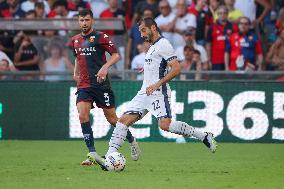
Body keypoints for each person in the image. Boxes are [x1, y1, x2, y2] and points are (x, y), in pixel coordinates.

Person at [87, 17, 217, 170]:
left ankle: (204, 136)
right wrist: (147, 69)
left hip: (158, 92)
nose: (141, 34)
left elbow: (176, 68)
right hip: (145, 92)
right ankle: (109, 157)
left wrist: (157, 83)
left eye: (143, 30)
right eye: (140, 31)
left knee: (165, 125)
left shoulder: (164, 44)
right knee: (122, 121)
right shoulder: (153, 46)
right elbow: (157, 65)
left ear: (153, 28)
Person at [70, 9, 140, 165]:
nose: (84, 23)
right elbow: (77, 57)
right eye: (81, 20)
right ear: (78, 21)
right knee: (82, 115)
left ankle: (132, 140)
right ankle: (92, 153)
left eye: (87, 20)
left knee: (113, 119)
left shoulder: (101, 37)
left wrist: (105, 67)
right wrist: (75, 73)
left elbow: (116, 55)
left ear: (92, 20)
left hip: (101, 85)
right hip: (84, 85)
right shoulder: (74, 40)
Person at [206, 5, 238, 70]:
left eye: (224, 13)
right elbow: (208, 45)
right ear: (217, 15)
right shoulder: (212, 28)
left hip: (230, 59)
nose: (222, 15)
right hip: (216, 60)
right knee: (217, 79)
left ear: (227, 14)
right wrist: (209, 60)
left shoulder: (233, 27)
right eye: (220, 13)